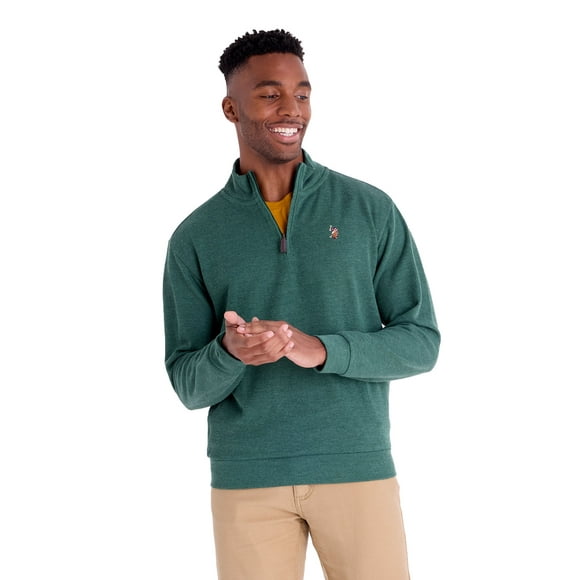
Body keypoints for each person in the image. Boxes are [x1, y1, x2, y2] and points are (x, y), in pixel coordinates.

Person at [163, 29, 440, 580]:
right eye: (270, 95)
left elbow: (421, 343)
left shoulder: (369, 209)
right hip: (247, 479)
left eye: (302, 94)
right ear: (231, 108)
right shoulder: (195, 236)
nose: (291, 109)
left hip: (356, 469)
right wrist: (230, 352)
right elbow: (188, 385)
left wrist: (322, 350)